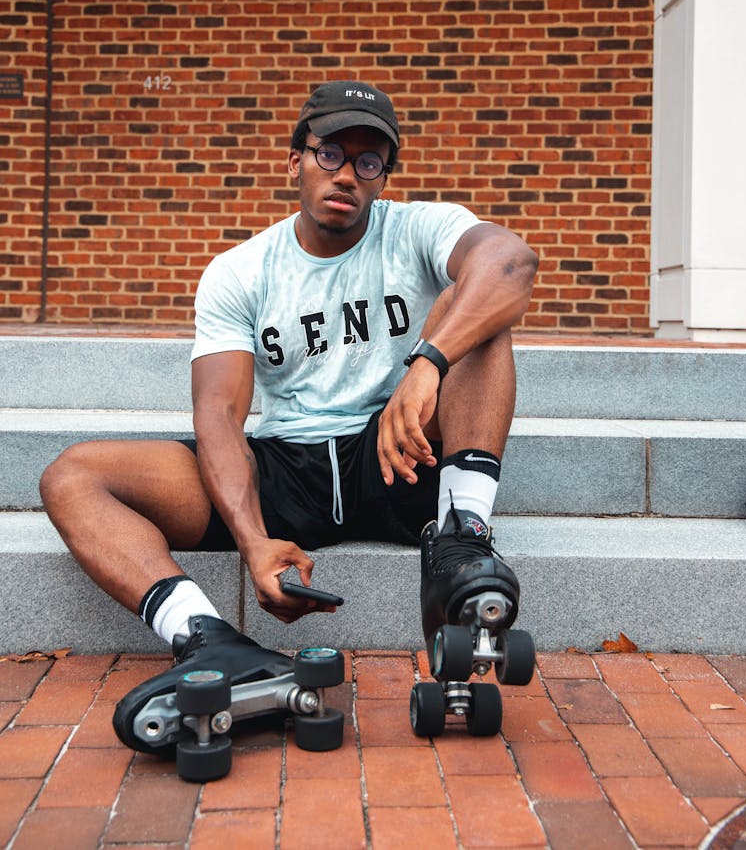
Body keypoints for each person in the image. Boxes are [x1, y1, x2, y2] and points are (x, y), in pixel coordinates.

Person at [39, 80, 538, 749]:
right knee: (73, 475)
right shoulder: (240, 270)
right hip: (282, 472)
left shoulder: (416, 227)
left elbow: (512, 262)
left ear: (384, 176)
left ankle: (461, 540)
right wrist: (252, 540)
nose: (347, 174)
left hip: (394, 453)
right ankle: (206, 636)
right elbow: (218, 414)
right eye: (330, 151)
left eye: (368, 161)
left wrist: (427, 365)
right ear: (295, 161)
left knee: (478, 309)